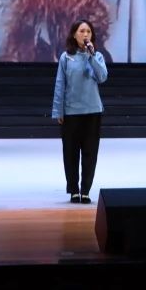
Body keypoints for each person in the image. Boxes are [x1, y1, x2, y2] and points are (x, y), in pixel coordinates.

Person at [52, 19, 108, 204]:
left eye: (88, 31)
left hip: (92, 111)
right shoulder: (66, 57)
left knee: (90, 152)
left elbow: (102, 77)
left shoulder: (97, 56)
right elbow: (60, 84)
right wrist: (58, 111)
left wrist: (91, 56)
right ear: (74, 35)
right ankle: (74, 190)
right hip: (71, 112)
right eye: (82, 31)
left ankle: (85, 190)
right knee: (71, 153)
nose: (85, 34)